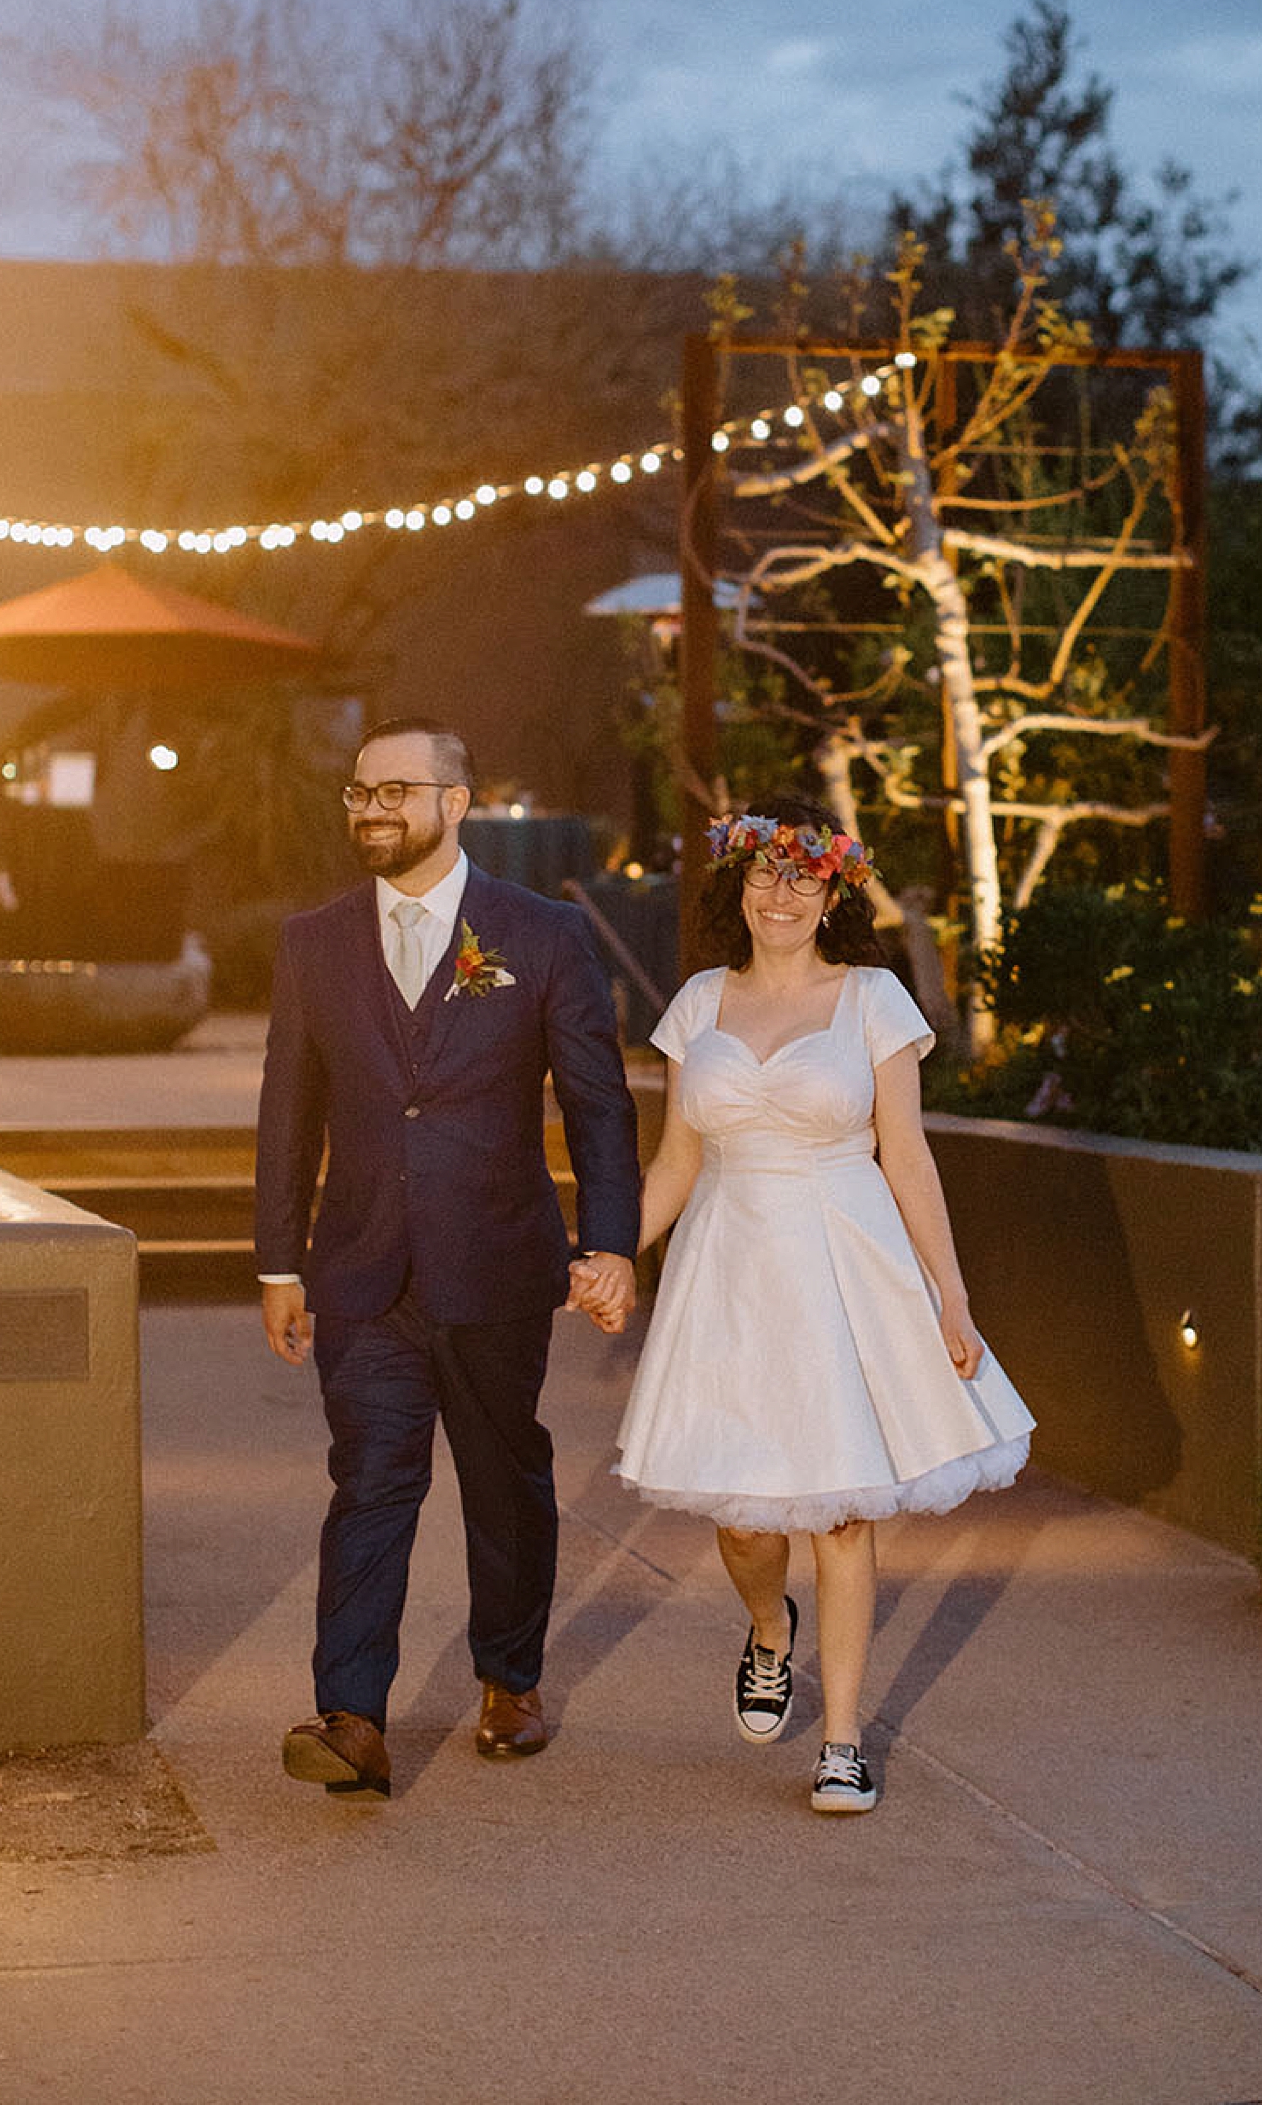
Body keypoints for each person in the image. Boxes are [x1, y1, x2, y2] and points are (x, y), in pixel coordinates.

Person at [612, 795, 1033, 1815]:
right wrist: (612, 1255)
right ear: (738, 884)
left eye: (803, 873)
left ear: (834, 886)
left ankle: (840, 1740)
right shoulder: (700, 1002)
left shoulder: (872, 998)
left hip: (845, 1262)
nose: (781, 890)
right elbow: (675, 1158)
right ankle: (767, 1628)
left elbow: (907, 1152)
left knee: (844, 1512)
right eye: (763, 871)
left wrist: (951, 1295)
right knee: (746, 1520)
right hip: (728, 1267)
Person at [255, 719, 640, 1797]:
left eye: (394, 790)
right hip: (362, 1269)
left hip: (498, 1262)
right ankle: (350, 1717)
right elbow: (289, 1109)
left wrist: (607, 1240)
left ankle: (508, 1676)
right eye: (356, 793)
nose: (370, 809)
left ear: (454, 802)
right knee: (370, 1480)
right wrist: (277, 1261)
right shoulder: (313, 940)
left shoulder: (545, 932)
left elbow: (597, 1107)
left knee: (503, 1478)